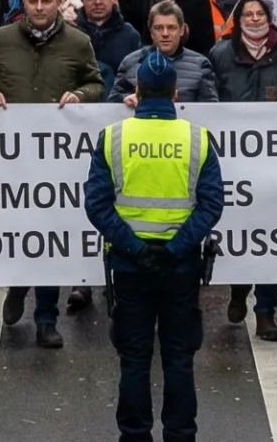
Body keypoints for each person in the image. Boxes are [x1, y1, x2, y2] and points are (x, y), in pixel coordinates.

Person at [83, 49, 226, 442]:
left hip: (130, 267)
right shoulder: (197, 138)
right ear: (175, 93)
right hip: (181, 267)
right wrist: (174, 249)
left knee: (134, 359)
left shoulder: (113, 137)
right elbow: (211, 204)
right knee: (179, 359)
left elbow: (97, 205)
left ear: (139, 90)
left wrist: (136, 249)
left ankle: (134, 435)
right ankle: (180, 435)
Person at [0, 0, 106, 349]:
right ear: (24, 2)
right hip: (12, 158)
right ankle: (18, 285)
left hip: (56, 159)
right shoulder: (2, 39)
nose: (39, 7)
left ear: (57, 2)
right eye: (32, 1)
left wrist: (81, 95)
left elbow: (97, 84)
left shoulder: (78, 41)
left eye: (46, 1)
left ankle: (47, 318)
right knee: (19, 231)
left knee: (51, 237)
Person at [215, 0, 277, 339]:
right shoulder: (220, 55)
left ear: (269, 18)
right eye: (248, 14)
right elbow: (210, 101)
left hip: (275, 162)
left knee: (271, 237)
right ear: (238, 19)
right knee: (240, 233)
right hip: (233, 162)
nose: (254, 19)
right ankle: (239, 288)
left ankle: (266, 311)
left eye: (260, 14)